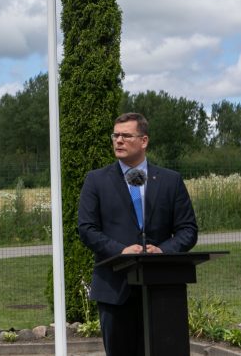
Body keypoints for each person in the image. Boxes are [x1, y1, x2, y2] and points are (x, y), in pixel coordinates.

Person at [77, 112, 198, 356]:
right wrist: (120, 251)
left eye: (126, 135)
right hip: (114, 288)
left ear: (143, 141)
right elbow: (87, 229)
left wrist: (163, 251)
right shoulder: (96, 181)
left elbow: (188, 230)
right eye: (115, 135)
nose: (118, 140)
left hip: (161, 289)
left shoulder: (170, 181)